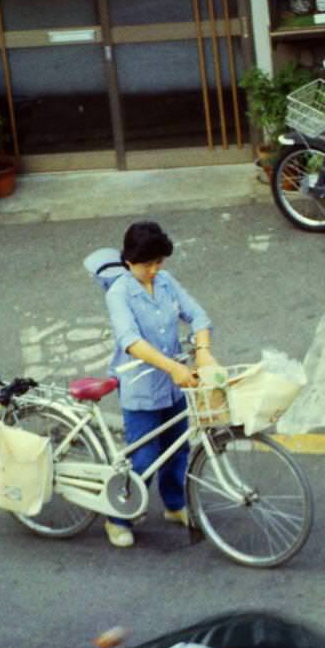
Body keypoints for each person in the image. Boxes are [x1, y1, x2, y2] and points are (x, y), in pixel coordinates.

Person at [102, 221, 216, 549]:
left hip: (174, 385)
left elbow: (198, 316)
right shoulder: (120, 293)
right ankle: (117, 517)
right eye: (146, 264)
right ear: (129, 261)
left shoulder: (165, 282)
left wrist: (204, 351)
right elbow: (130, 341)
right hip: (141, 387)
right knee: (143, 458)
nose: (153, 270)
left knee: (178, 447)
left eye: (158, 262)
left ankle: (174, 504)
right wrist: (172, 368)